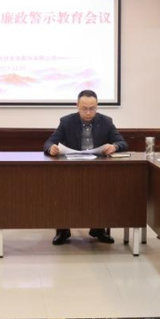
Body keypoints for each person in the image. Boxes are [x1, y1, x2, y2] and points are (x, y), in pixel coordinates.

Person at [43, 89, 128, 246]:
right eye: (84, 109)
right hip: (71, 168)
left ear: (97, 106)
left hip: (98, 170)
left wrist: (114, 146)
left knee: (102, 192)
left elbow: (122, 142)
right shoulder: (66, 122)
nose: (88, 112)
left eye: (92, 108)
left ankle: (98, 229)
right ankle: (63, 230)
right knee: (63, 191)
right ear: (77, 106)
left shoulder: (106, 122)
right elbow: (49, 142)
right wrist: (51, 148)